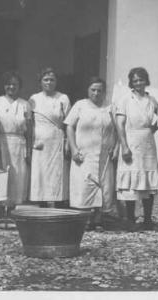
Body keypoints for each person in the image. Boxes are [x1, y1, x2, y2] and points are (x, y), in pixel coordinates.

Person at [65, 77, 118, 231]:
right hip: (84, 153)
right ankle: (85, 219)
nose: (96, 93)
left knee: (104, 185)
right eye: (93, 90)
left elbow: (117, 128)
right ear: (88, 90)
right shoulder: (80, 105)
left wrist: (116, 147)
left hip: (103, 154)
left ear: (104, 92)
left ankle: (98, 218)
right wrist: (74, 148)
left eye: (99, 90)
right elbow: (69, 126)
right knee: (84, 185)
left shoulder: (110, 107)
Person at [115, 67, 158, 231]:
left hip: (147, 143)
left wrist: (151, 130)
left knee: (147, 180)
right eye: (135, 80)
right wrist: (124, 146)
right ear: (131, 83)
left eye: (141, 80)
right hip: (131, 140)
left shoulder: (152, 100)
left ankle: (148, 219)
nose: (139, 83)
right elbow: (119, 125)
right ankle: (130, 218)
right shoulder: (126, 99)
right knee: (131, 180)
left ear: (146, 81)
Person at [0, 71, 32, 228]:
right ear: (4, 86)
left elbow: (29, 130)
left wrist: (29, 148)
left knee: (17, 176)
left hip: (18, 142)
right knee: (1, 175)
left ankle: (11, 212)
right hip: (1, 141)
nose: (11, 87)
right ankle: (0, 212)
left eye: (15, 84)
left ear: (19, 86)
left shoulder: (25, 104)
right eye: (8, 84)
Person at [29, 68, 71, 208]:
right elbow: (30, 122)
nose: (49, 82)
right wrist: (32, 142)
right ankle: (43, 206)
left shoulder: (63, 98)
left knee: (57, 174)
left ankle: (59, 206)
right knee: (41, 174)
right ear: (40, 82)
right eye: (45, 79)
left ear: (56, 82)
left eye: (52, 79)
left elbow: (68, 122)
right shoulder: (34, 98)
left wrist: (67, 143)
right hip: (40, 143)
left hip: (57, 141)